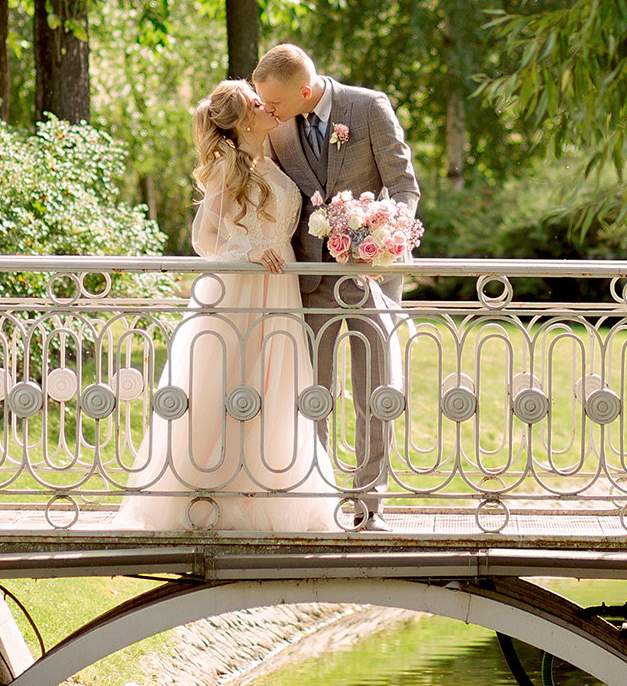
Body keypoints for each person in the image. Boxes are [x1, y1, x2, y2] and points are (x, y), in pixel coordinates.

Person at [118, 79, 339, 533]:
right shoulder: (227, 167)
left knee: (275, 386)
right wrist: (250, 253)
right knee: (231, 383)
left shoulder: (272, 157)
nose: (269, 107)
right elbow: (204, 240)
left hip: (279, 290)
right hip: (243, 288)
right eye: (259, 104)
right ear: (241, 119)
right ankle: (213, 497)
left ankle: (269, 491)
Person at [248, 43, 420, 530]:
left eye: (276, 103)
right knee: (314, 393)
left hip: (372, 277)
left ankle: (370, 505)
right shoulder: (278, 124)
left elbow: (404, 186)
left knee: (374, 390)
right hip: (309, 279)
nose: (269, 111)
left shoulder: (368, 108)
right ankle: (318, 502)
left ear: (306, 90)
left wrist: (386, 236)